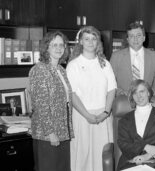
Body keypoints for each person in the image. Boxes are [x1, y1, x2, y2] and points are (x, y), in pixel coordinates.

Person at [66, 26, 117, 171]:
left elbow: (111, 89)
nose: (90, 42)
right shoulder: (73, 65)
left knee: (103, 157)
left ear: (98, 43)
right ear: (81, 41)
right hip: (82, 117)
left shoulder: (105, 64)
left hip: (104, 117)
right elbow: (72, 94)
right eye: (86, 39)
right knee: (83, 157)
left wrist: (105, 113)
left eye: (94, 39)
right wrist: (88, 115)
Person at [29, 31, 73, 171]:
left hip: (63, 132)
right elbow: (41, 104)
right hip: (47, 135)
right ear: (46, 47)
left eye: (61, 45)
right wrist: (50, 133)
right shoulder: (39, 70)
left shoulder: (61, 69)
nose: (58, 48)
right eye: (54, 45)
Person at [117, 79, 155, 171]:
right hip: (131, 161)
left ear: (148, 93)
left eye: (142, 91)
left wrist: (147, 156)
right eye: (135, 93)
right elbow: (123, 144)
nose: (139, 96)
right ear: (132, 97)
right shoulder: (124, 120)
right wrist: (145, 147)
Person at [110, 21, 155, 96]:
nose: (135, 39)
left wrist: (152, 91)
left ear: (144, 38)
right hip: (124, 101)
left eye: (138, 35)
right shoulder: (116, 57)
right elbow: (110, 81)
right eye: (131, 36)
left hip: (147, 101)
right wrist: (121, 93)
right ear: (128, 39)